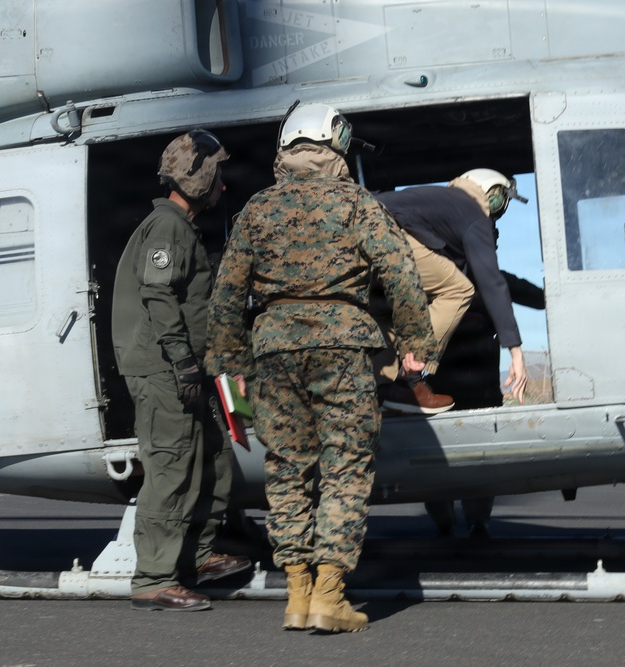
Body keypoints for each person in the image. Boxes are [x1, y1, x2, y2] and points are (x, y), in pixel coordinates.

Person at [205, 102, 439, 633]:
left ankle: (297, 595)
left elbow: (226, 295)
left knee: (287, 469)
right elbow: (400, 273)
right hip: (342, 348)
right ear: (330, 144)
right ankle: (330, 595)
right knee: (345, 466)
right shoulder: (357, 203)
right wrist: (416, 345)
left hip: (272, 352)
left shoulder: (257, 210)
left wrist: (229, 366)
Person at [111, 129, 252, 612]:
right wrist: (183, 361)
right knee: (171, 469)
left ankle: (195, 556)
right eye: (217, 178)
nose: (223, 188)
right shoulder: (167, 226)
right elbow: (157, 295)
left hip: (187, 370)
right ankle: (154, 578)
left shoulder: (180, 227)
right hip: (166, 370)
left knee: (213, 460)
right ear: (200, 179)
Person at [372, 169, 530, 413]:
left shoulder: (436, 205)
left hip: (349, 236)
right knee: (458, 290)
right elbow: (492, 282)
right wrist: (516, 351)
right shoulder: (473, 213)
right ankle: (410, 381)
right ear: (493, 195)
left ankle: (380, 391)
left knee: (386, 312)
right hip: (382, 233)